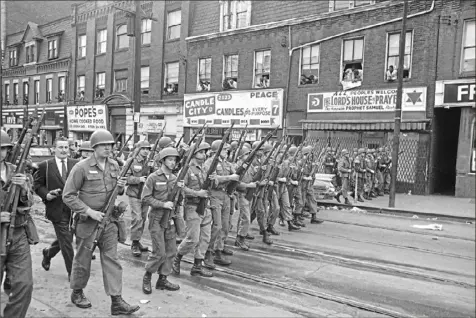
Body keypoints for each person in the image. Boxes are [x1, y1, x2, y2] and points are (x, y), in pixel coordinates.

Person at [62, 129, 139, 315]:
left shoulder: (114, 165)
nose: (108, 148)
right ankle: (77, 291)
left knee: (112, 260)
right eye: (104, 145)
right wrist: (89, 212)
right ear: (94, 147)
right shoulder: (81, 167)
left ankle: (116, 300)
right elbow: (68, 196)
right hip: (88, 223)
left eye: (110, 145)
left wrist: (120, 188)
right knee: (83, 260)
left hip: (109, 222)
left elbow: (117, 193)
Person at [1, 130, 38, 318]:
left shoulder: (17, 170)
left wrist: (24, 188)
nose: (0, 152)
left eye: (3, 149)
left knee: (25, 285)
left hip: (17, 234)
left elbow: (29, 202)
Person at [33, 137, 78, 281]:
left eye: (66, 147)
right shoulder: (44, 165)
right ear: (54, 149)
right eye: (61, 147)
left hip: (74, 210)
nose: (64, 150)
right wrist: (46, 194)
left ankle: (48, 253)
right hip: (56, 209)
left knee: (66, 238)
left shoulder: (76, 164)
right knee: (66, 240)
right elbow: (37, 185)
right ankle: (73, 273)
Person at [141, 147, 182, 293]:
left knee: (171, 251)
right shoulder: (153, 177)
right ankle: (147, 277)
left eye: (175, 160)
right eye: (170, 160)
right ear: (163, 160)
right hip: (157, 218)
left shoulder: (175, 178)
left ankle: (162, 279)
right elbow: (145, 197)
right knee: (159, 252)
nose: (173, 163)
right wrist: (163, 204)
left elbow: (179, 200)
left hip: (170, 218)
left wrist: (180, 191)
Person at [173, 142, 214, 277]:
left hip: (205, 206)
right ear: (194, 153)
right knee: (192, 239)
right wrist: (197, 194)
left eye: (204, 152)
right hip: (192, 206)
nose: (204, 154)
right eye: (201, 152)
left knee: (205, 238)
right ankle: (177, 258)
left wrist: (214, 180)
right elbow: (180, 187)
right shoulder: (186, 170)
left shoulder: (205, 168)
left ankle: (197, 265)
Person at [204, 140, 239, 267]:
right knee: (216, 226)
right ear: (216, 151)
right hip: (214, 195)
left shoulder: (226, 163)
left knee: (225, 225)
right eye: (224, 150)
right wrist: (230, 178)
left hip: (225, 195)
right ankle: (208, 251)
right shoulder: (209, 163)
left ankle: (218, 250)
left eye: (227, 150)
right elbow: (213, 180)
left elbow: (235, 174)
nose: (227, 152)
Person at [125, 140, 152, 257]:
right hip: (134, 194)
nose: (146, 151)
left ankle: (138, 240)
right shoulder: (131, 161)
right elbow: (125, 178)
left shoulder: (150, 162)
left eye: (148, 149)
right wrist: (138, 179)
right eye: (144, 148)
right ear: (138, 149)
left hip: (145, 195)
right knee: (137, 218)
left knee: (143, 219)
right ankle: (134, 244)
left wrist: (152, 169)